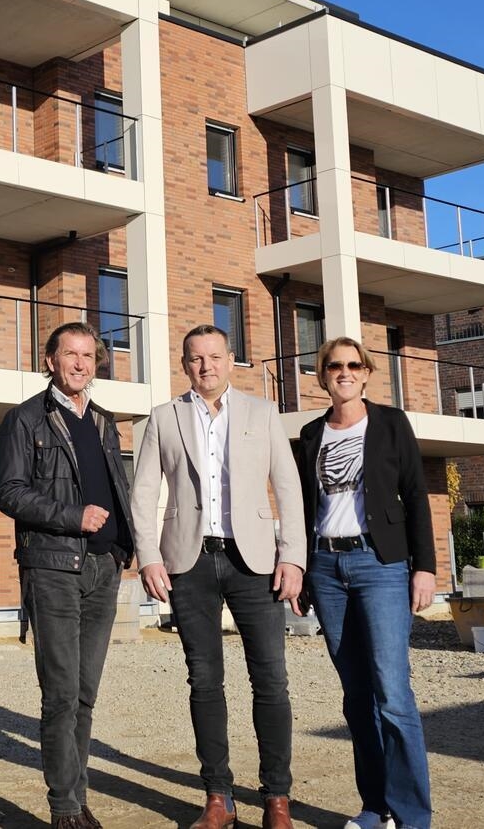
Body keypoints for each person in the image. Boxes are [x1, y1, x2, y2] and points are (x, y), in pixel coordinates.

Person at [130, 324, 305, 829]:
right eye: (194, 358)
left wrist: (292, 556)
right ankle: (218, 798)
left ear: (230, 360)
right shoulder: (163, 418)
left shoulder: (262, 413)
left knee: (270, 679)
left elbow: (288, 489)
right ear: (184, 365)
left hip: (255, 562)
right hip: (187, 562)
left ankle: (277, 799)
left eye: (213, 356)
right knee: (205, 680)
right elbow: (143, 495)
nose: (204, 366)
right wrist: (148, 556)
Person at [0, 320, 134, 829]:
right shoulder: (26, 419)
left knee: (84, 693)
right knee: (59, 693)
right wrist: (72, 516)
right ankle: (64, 807)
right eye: (70, 354)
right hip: (54, 568)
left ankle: (78, 795)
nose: (80, 363)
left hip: (103, 568)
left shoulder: (104, 419)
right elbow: (8, 492)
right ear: (50, 360)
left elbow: (117, 483)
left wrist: (124, 546)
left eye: (89, 356)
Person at [295, 336, 435, 829]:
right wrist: (300, 571)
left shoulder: (391, 423)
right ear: (323, 375)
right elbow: (303, 509)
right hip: (327, 569)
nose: (345, 372)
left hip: (381, 566)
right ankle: (376, 806)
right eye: (335, 365)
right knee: (356, 695)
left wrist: (425, 567)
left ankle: (413, 817)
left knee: (392, 693)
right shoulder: (312, 434)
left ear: (367, 372)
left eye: (354, 365)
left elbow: (416, 495)